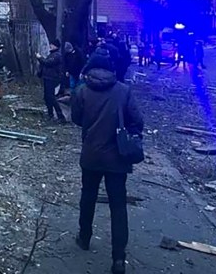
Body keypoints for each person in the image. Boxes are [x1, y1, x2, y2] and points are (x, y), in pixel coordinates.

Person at [71, 50, 144, 274]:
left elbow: (75, 118)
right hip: (117, 158)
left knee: (88, 196)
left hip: (91, 154)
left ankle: (84, 237)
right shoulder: (123, 90)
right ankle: (119, 259)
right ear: (111, 70)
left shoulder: (81, 91)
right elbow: (138, 121)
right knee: (118, 206)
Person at [37, 39, 66, 123]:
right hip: (47, 78)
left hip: (52, 78)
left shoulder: (57, 55)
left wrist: (40, 58)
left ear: (55, 46)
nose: (50, 45)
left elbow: (48, 63)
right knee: (47, 97)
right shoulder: (52, 54)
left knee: (51, 97)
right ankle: (50, 114)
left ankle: (60, 116)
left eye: (52, 44)